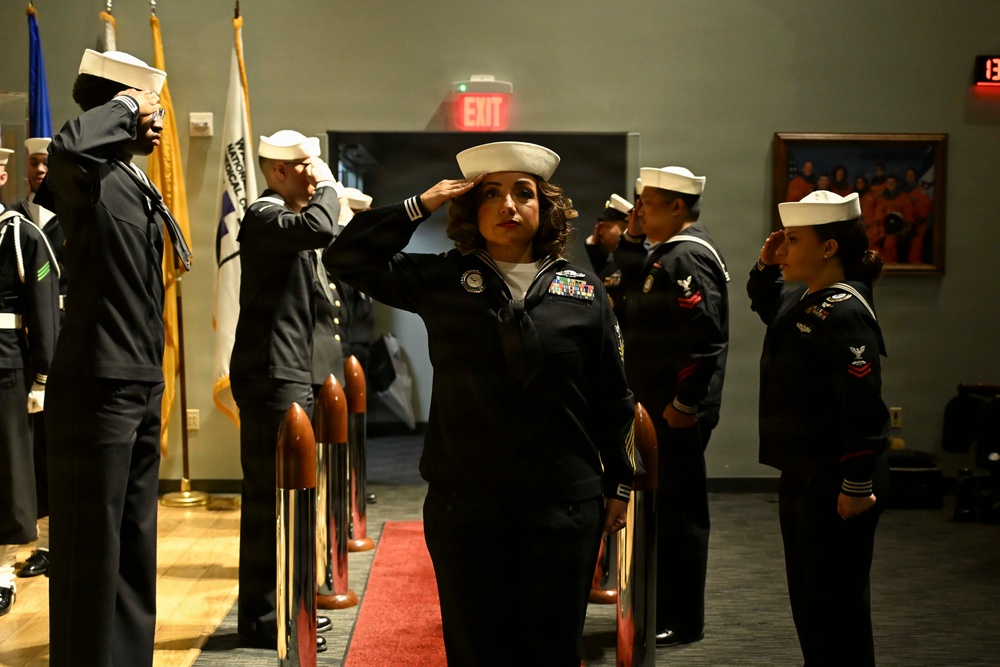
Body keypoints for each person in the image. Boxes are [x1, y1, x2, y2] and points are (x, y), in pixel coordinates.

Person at [324, 141, 635, 666]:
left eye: (524, 194)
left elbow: (613, 395)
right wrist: (419, 204)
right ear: (471, 207)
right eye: (492, 194)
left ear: (546, 209)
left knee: (553, 649)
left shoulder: (583, 292)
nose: (509, 206)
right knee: (474, 649)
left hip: (562, 506)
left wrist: (620, 484)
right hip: (466, 504)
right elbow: (345, 258)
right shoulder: (443, 279)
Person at [36, 49, 191, 667]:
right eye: (150, 108)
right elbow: (68, 150)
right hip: (96, 381)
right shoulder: (85, 171)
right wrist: (126, 106)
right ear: (115, 105)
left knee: (132, 541)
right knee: (90, 551)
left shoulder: (130, 178)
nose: (157, 121)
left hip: (138, 378)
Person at [748, 190, 890, 667]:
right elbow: (769, 307)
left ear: (829, 248)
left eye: (792, 240)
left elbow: (862, 408)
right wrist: (768, 266)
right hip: (804, 473)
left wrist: (857, 485)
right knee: (811, 601)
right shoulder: (807, 300)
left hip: (836, 480)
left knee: (837, 607)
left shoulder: (845, 312)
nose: (782, 249)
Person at [229, 130, 350, 652]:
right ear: (277, 171)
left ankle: (287, 605)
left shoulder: (290, 225)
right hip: (268, 375)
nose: (313, 172)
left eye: (316, 165)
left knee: (293, 501)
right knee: (268, 503)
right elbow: (321, 225)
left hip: (289, 371)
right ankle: (261, 618)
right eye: (304, 165)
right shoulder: (263, 213)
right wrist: (328, 187)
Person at [614, 165, 729, 647]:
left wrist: (684, 403)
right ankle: (664, 606)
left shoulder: (686, 259)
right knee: (662, 512)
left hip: (673, 412)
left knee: (679, 517)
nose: (637, 208)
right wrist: (633, 237)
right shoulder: (664, 255)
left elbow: (704, 342)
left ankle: (683, 619)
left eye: (648, 202)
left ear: (677, 207)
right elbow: (627, 292)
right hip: (657, 409)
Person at [0, 150, 60, 617]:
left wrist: (41, 376)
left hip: (5, 367)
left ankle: (1, 571)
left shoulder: (20, 235)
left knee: (9, 468)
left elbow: (43, 313)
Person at [11, 137, 64, 579]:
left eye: (48, 162)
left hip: (67, 341)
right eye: (35, 162)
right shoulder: (17, 219)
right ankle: (41, 544)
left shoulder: (75, 215)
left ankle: (56, 541)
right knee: (32, 449)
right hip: (24, 350)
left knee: (57, 449)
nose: (41, 170)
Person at [584, 193, 632, 316]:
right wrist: (595, 247)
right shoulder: (616, 263)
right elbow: (604, 272)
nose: (600, 232)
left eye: (607, 226)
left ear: (627, 228)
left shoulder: (633, 263)